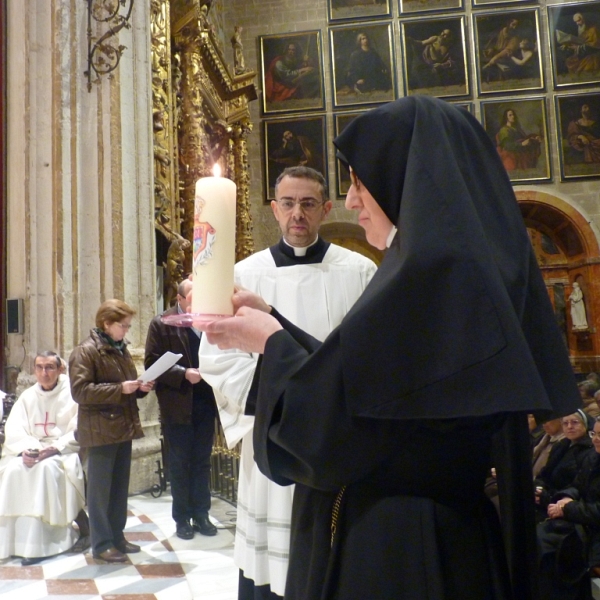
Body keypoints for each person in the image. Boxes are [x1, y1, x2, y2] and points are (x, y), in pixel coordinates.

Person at [197, 96, 580, 599]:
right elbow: (378, 387)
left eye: (359, 182)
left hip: (404, 548)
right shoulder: (450, 273)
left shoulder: (428, 281)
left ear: (403, 181)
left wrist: (271, 344)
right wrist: (274, 324)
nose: (353, 200)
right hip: (433, 531)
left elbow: (334, 432)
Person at [199, 165, 377, 600]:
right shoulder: (240, 275)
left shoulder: (360, 271)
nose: (298, 213)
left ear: (326, 209)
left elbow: (370, 358)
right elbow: (217, 359)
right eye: (289, 204)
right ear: (275, 210)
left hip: (333, 441)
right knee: (270, 568)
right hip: (272, 439)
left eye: (308, 203)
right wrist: (284, 402)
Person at [69, 299, 154, 563]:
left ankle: (117, 536)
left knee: (118, 489)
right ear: (107, 323)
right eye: (123, 325)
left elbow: (125, 385)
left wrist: (139, 389)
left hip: (122, 427)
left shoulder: (120, 349)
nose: (127, 330)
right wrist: (121, 389)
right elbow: (80, 392)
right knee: (100, 491)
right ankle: (101, 543)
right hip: (100, 430)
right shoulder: (85, 351)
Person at [144, 279, 217, 540]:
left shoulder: (209, 321)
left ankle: (202, 515)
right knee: (179, 464)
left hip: (206, 402)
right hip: (178, 404)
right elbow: (152, 363)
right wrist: (183, 373)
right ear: (180, 298)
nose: (199, 304)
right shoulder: (162, 323)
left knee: (201, 462)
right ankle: (182, 520)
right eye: (194, 299)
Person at [0, 351, 88, 565]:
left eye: (49, 367)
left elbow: (78, 430)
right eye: (39, 367)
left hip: (63, 452)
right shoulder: (28, 396)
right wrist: (28, 451)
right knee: (13, 470)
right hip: (32, 450)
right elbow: (15, 429)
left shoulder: (73, 394)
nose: (44, 372)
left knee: (45, 470)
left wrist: (53, 449)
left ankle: (45, 543)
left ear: (60, 369)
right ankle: (17, 543)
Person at [537, 417, 600, 599]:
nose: (596, 439)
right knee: (542, 538)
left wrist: (568, 509)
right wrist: (565, 498)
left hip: (594, 526)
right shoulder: (593, 457)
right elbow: (577, 485)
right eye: (594, 433)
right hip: (585, 521)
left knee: (553, 548)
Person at [534, 410, 593, 520]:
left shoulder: (590, 452)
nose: (569, 426)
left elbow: (577, 486)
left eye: (575, 422)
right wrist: (538, 488)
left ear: (585, 424)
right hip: (544, 497)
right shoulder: (560, 446)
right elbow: (544, 474)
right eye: (565, 423)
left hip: (562, 503)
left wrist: (547, 497)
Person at [496, 108, 542, 172]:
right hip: (513, 153)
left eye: (513, 115)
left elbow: (525, 138)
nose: (513, 116)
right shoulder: (504, 130)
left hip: (520, 151)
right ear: (506, 118)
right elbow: (507, 145)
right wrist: (522, 144)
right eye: (510, 115)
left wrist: (534, 137)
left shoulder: (517, 129)